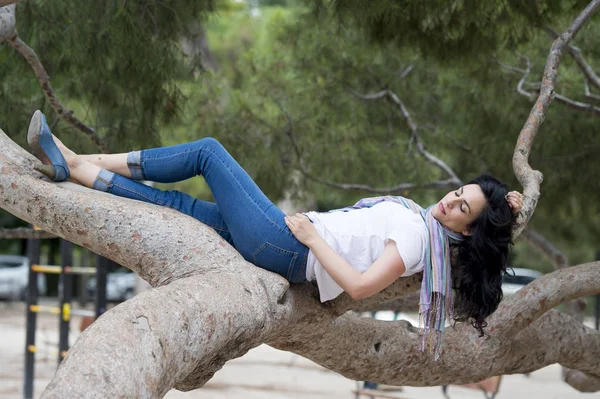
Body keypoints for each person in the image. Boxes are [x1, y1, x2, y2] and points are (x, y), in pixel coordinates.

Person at [26, 110, 523, 356]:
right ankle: (81, 173)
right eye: (460, 192)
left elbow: (361, 287)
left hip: (286, 245)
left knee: (208, 152)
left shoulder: (420, 240)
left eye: (464, 209)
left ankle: (79, 159)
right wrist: (510, 207)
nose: (452, 201)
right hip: (284, 240)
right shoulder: (429, 233)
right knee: (180, 206)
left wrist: (312, 239)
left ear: (466, 229)